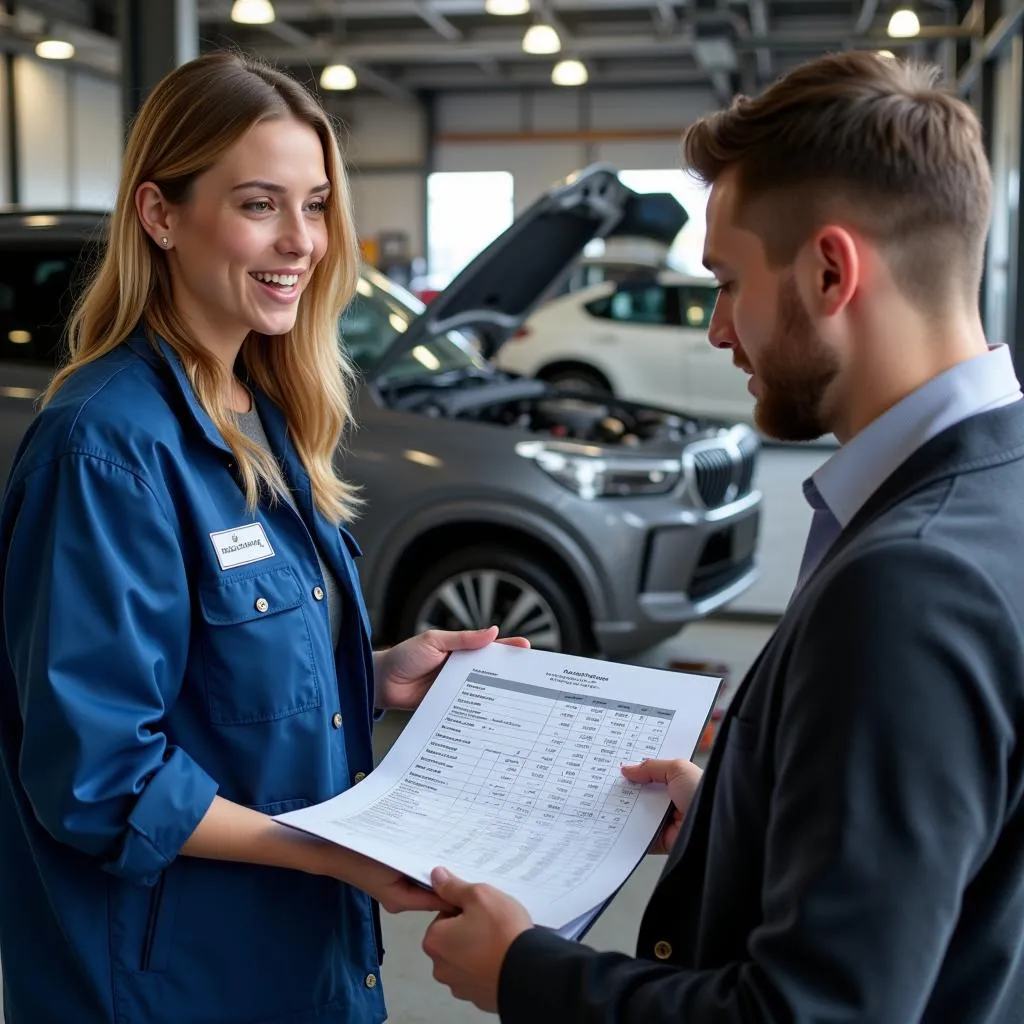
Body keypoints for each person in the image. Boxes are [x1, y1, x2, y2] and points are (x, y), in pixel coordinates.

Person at [421, 50, 1024, 1023]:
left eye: (726, 281)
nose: (714, 329)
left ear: (830, 271)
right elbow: (951, 854)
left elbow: (812, 1012)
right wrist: (740, 813)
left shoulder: (911, 584)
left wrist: (524, 970)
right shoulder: (995, 483)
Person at [0, 51, 526, 1024]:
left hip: (301, 967)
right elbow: (101, 774)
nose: (303, 241)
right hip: (171, 985)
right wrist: (339, 851)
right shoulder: (107, 450)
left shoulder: (263, 414)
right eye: (259, 204)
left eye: (316, 203)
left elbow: (212, 692)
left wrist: (370, 675)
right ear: (160, 214)